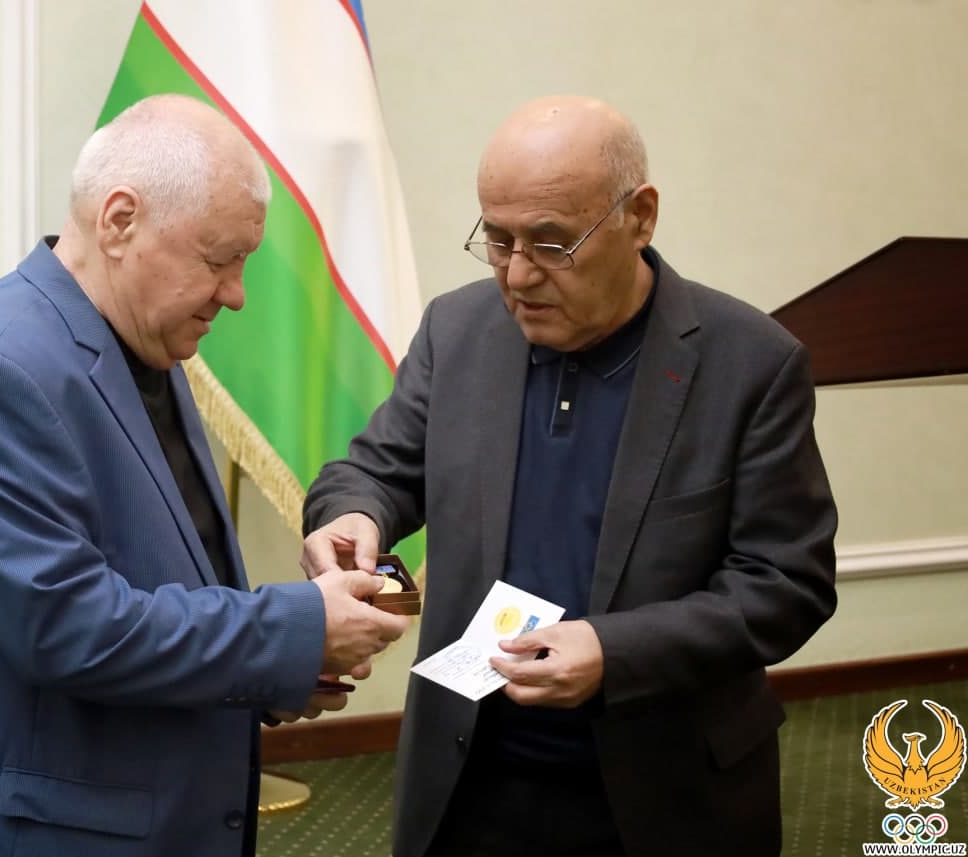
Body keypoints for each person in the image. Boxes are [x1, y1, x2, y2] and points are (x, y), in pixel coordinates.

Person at [0, 93, 409, 857]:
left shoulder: (144, 346)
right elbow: (68, 626)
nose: (236, 294)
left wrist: (281, 667)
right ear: (119, 220)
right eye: (219, 259)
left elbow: (163, 584)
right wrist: (297, 629)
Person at [302, 96, 837, 857]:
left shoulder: (751, 362)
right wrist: (353, 513)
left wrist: (615, 652)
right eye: (498, 240)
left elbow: (786, 584)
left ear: (640, 217)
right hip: (466, 774)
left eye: (552, 243)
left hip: (663, 788)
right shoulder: (458, 330)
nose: (518, 275)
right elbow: (373, 472)